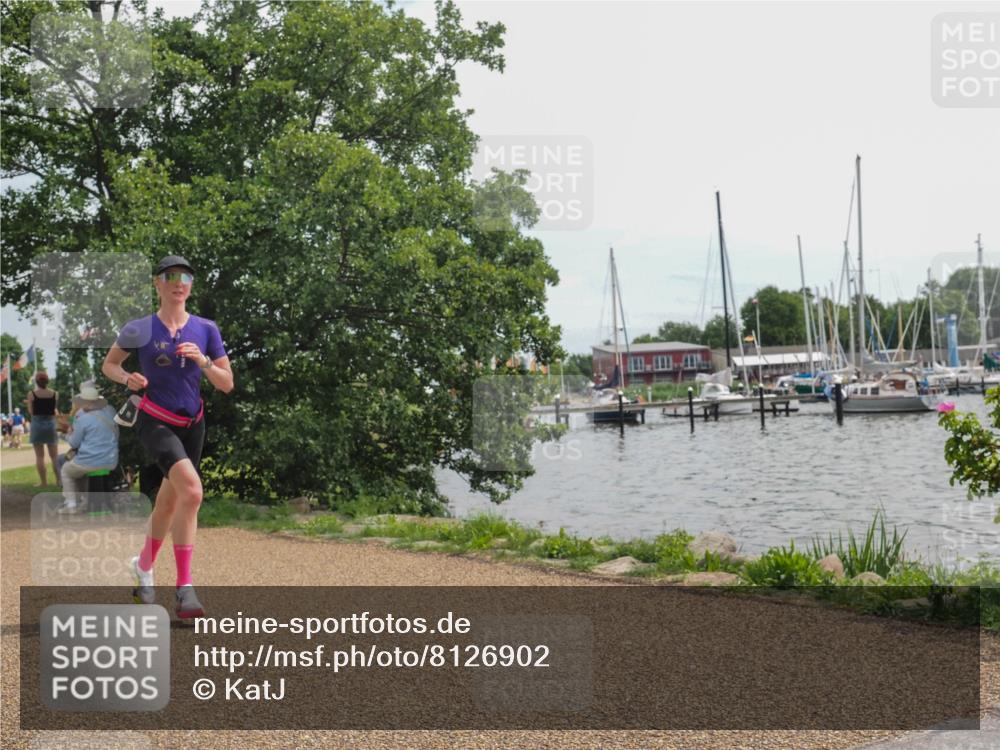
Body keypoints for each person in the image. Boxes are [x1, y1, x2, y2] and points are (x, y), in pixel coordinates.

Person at [102, 255, 233, 619]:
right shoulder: (139, 328)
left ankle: (143, 566)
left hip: (194, 423)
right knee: (192, 490)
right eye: (170, 276)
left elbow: (227, 383)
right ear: (157, 283)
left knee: (169, 502)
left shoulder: (207, 328)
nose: (179, 282)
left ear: (191, 286)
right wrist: (127, 378)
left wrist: (204, 362)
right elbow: (109, 365)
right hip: (155, 420)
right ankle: (185, 590)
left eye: (186, 277)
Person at [56, 382, 119, 514]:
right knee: (83, 470)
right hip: (111, 459)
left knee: (66, 471)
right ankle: (85, 502)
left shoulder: (83, 417)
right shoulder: (110, 410)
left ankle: (71, 505)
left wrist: (66, 434)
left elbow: (74, 443)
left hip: (91, 460)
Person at [28, 371, 61, 486]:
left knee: (40, 456)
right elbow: (53, 410)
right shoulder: (54, 394)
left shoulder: (31, 394)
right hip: (50, 425)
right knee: (54, 456)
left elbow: (31, 411)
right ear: (47, 381)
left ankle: (43, 482)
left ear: (36, 382)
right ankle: (58, 481)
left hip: (37, 426)